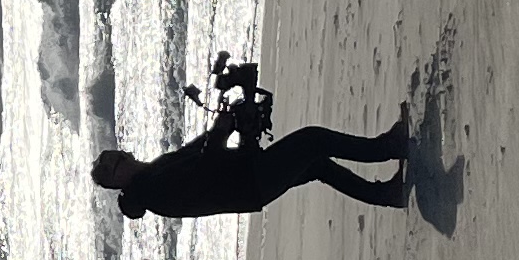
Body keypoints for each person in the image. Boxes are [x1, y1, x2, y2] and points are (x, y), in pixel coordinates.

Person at [93, 87, 420, 218]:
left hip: (247, 180)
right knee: (312, 140)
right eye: (113, 165)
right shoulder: (151, 190)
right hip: (249, 183)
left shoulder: (153, 172)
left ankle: (386, 194)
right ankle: (386, 148)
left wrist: (227, 125)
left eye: (115, 154)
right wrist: (222, 132)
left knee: (317, 165)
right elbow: (204, 171)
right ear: (116, 183)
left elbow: (197, 151)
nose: (119, 158)